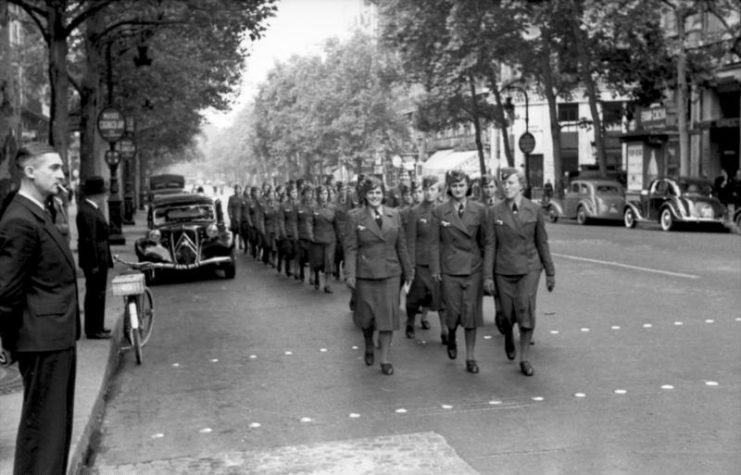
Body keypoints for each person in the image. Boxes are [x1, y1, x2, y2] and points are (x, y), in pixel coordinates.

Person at [0, 142, 80, 474]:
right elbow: (6, 290)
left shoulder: (38, 211)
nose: (62, 174)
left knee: (53, 429)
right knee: (44, 430)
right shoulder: (20, 219)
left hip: (53, 336)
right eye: (54, 168)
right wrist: (4, 342)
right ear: (30, 172)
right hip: (41, 338)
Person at [487, 168, 555, 377]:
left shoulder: (534, 210)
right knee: (507, 315)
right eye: (504, 184)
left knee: (525, 309)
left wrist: (550, 272)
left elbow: (542, 242)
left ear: (521, 186)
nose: (506, 187)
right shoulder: (495, 212)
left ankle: (524, 358)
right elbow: (490, 244)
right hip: (504, 268)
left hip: (529, 267)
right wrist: (488, 276)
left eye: (511, 183)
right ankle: (508, 332)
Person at [344, 176, 412, 375]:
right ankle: (368, 342)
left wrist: (408, 272)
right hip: (365, 274)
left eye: (378, 192)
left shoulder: (394, 215)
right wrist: (350, 274)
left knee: (387, 318)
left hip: (390, 274)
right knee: (367, 318)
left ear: (384, 194)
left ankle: (384, 359)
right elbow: (350, 248)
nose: (375, 196)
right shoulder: (354, 217)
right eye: (371, 192)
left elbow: (402, 246)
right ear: (365, 195)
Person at [430, 169, 493, 374]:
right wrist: (436, 268)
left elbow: (486, 242)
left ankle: (470, 357)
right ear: (449, 188)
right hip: (449, 269)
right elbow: (434, 243)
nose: (458, 189)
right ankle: (451, 337)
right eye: (454, 186)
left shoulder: (480, 210)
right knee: (453, 312)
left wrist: (486, 271)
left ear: (468, 187)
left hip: (473, 268)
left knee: (471, 313)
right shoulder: (439, 211)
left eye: (461, 185)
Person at [404, 176, 446, 342]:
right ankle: (410, 322)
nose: (429, 193)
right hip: (421, 261)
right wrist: (411, 265)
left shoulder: (444, 210)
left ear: (438, 191)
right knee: (416, 295)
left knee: (441, 296)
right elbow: (411, 240)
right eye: (426, 189)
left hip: (439, 261)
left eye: (433, 189)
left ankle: (444, 331)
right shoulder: (415, 212)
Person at [76, 176, 113, 340]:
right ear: (96, 195)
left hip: (100, 256)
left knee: (99, 293)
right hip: (95, 258)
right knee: (94, 293)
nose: (104, 197)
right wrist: (93, 263)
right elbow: (89, 239)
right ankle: (93, 329)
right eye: (102, 194)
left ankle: (98, 326)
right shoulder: (87, 211)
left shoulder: (91, 209)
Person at [310, 185, 338, 293]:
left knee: (329, 261)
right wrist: (311, 235)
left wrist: (340, 237)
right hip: (317, 238)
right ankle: (316, 276)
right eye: (321, 194)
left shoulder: (333, 207)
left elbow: (337, 224)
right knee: (318, 261)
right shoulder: (313, 207)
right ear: (317, 195)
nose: (323, 196)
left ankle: (327, 284)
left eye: (326, 194)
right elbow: (309, 223)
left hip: (330, 238)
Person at [227, 184, 244, 250]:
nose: (237, 190)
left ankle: (240, 244)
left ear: (240, 190)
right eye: (236, 189)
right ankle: (233, 242)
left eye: (238, 189)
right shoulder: (231, 198)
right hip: (234, 216)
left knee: (241, 231)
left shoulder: (242, 198)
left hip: (241, 215)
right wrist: (230, 214)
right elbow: (229, 207)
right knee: (234, 231)